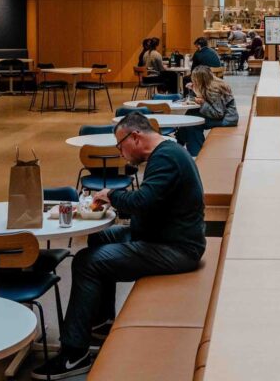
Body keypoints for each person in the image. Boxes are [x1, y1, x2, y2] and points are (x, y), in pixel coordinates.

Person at [31, 112, 205, 379]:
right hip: (163, 235)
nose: (120, 154)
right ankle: (101, 320)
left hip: (176, 248)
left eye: (120, 146)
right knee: (100, 238)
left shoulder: (166, 158)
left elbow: (142, 201)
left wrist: (111, 195)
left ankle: (74, 354)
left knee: (87, 262)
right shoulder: (166, 152)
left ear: (135, 137)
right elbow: (153, 201)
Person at [176, 66, 238, 156]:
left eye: (194, 79)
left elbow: (218, 114)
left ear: (200, 80)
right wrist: (194, 90)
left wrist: (203, 103)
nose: (192, 80)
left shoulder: (214, 90)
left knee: (193, 124)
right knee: (190, 114)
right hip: (223, 116)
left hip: (227, 119)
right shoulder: (209, 85)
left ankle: (196, 153)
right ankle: (179, 144)